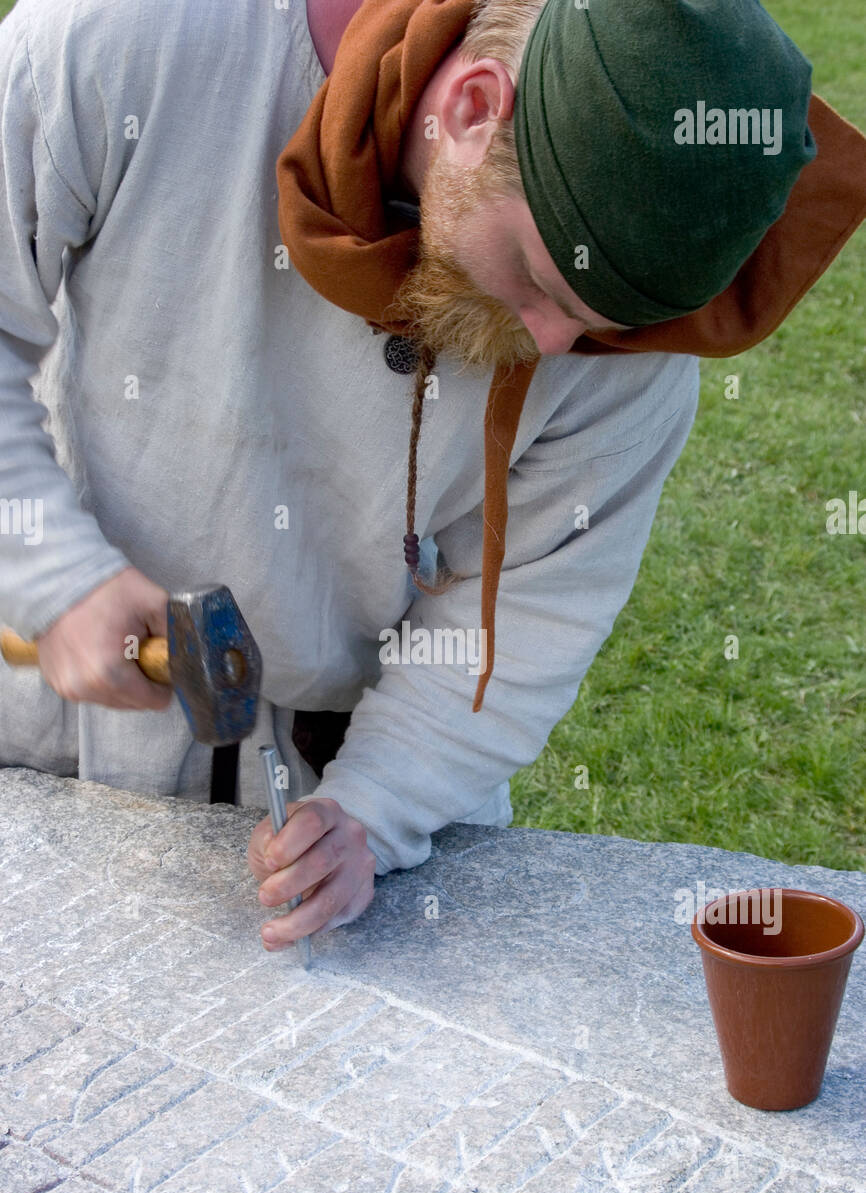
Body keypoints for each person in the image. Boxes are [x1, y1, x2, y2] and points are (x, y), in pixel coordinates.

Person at [0, 0, 862, 952]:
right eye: (537, 280)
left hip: (341, 773)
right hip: (47, 725)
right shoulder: (130, 42)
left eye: (600, 325)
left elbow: (533, 612)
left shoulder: (636, 323)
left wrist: (375, 809)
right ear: (472, 106)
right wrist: (55, 574)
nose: (552, 344)